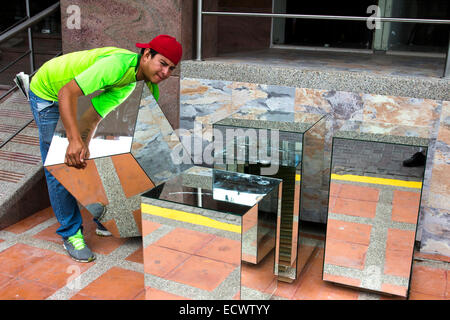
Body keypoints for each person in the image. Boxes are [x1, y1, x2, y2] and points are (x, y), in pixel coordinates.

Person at [28, 35, 182, 262]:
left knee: (86, 153)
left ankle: (103, 220)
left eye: (171, 68)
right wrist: (73, 141)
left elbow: (91, 118)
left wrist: (84, 144)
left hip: (75, 93)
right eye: (163, 63)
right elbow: (66, 93)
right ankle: (71, 234)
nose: (166, 73)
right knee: (60, 164)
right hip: (48, 92)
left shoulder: (135, 83)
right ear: (147, 55)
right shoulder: (116, 66)